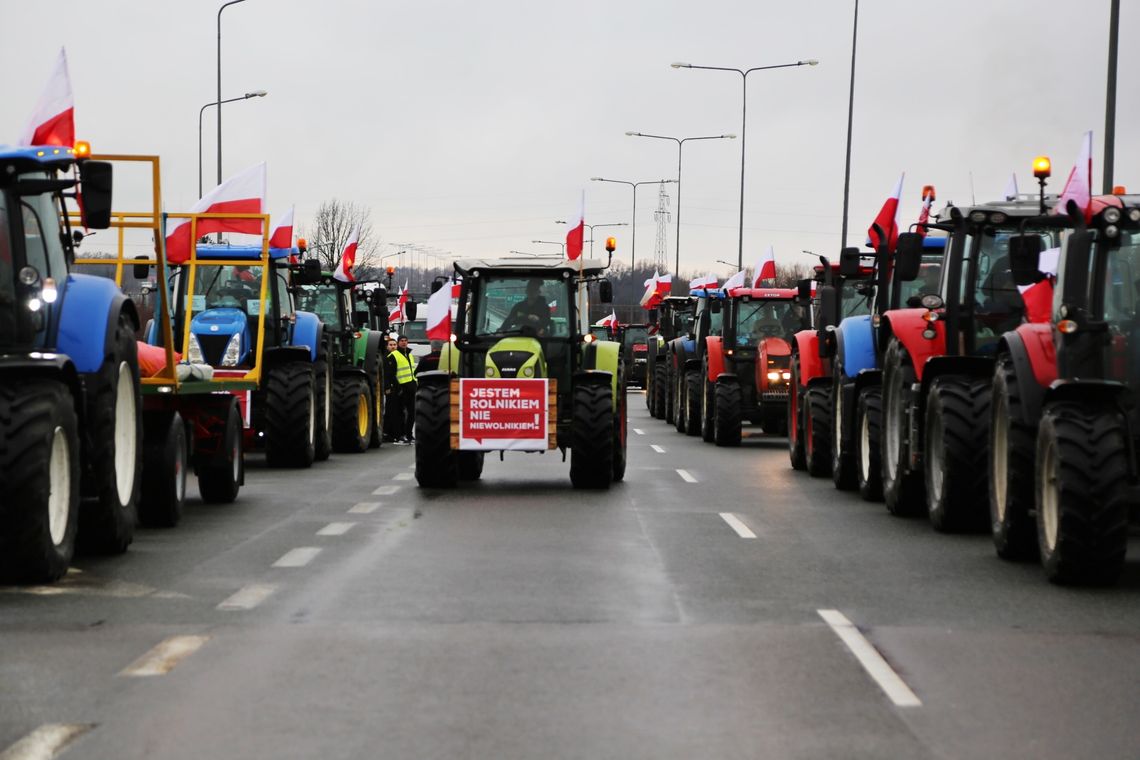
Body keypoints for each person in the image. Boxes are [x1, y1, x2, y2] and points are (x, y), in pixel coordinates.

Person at [382, 337, 404, 442]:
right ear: (387, 346)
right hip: (391, 388)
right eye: (390, 345)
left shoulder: (398, 356)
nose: (393, 346)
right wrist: (387, 387)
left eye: (394, 345)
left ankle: (395, 433)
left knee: (398, 411)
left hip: (398, 387)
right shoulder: (387, 358)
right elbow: (386, 375)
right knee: (391, 411)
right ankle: (389, 433)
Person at [396, 336, 417, 442]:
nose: (404, 343)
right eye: (402, 341)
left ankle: (409, 434)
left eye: (405, 341)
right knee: (401, 413)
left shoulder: (409, 354)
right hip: (402, 388)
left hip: (412, 387)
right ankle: (401, 434)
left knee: (412, 413)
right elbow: (391, 374)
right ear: (398, 342)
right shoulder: (394, 355)